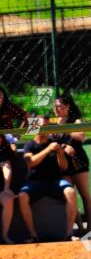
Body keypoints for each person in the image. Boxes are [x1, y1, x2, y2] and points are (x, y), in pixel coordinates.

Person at [18, 120, 78, 242]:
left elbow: (64, 167)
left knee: (71, 192)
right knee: (22, 196)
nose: (45, 129)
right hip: (35, 182)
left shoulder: (54, 143)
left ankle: (69, 233)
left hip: (54, 182)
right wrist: (47, 150)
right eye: (41, 126)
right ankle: (33, 235)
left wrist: (60, 154)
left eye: (46, 126)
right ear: (35, 128)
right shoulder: (30, 145)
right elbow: (30, 162)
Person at [52, 93, 90, 233]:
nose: (56, 109)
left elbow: (80, 136)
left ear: (67, 107)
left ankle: (90, 227)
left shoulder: (76, 120)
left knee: (85, 195)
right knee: (70, 194)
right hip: (63, 162)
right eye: (54, 106)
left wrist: (63, 129)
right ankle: (80, 228)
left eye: (59, 106)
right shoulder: (54, 122)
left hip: (78, 160)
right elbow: (36, 134)